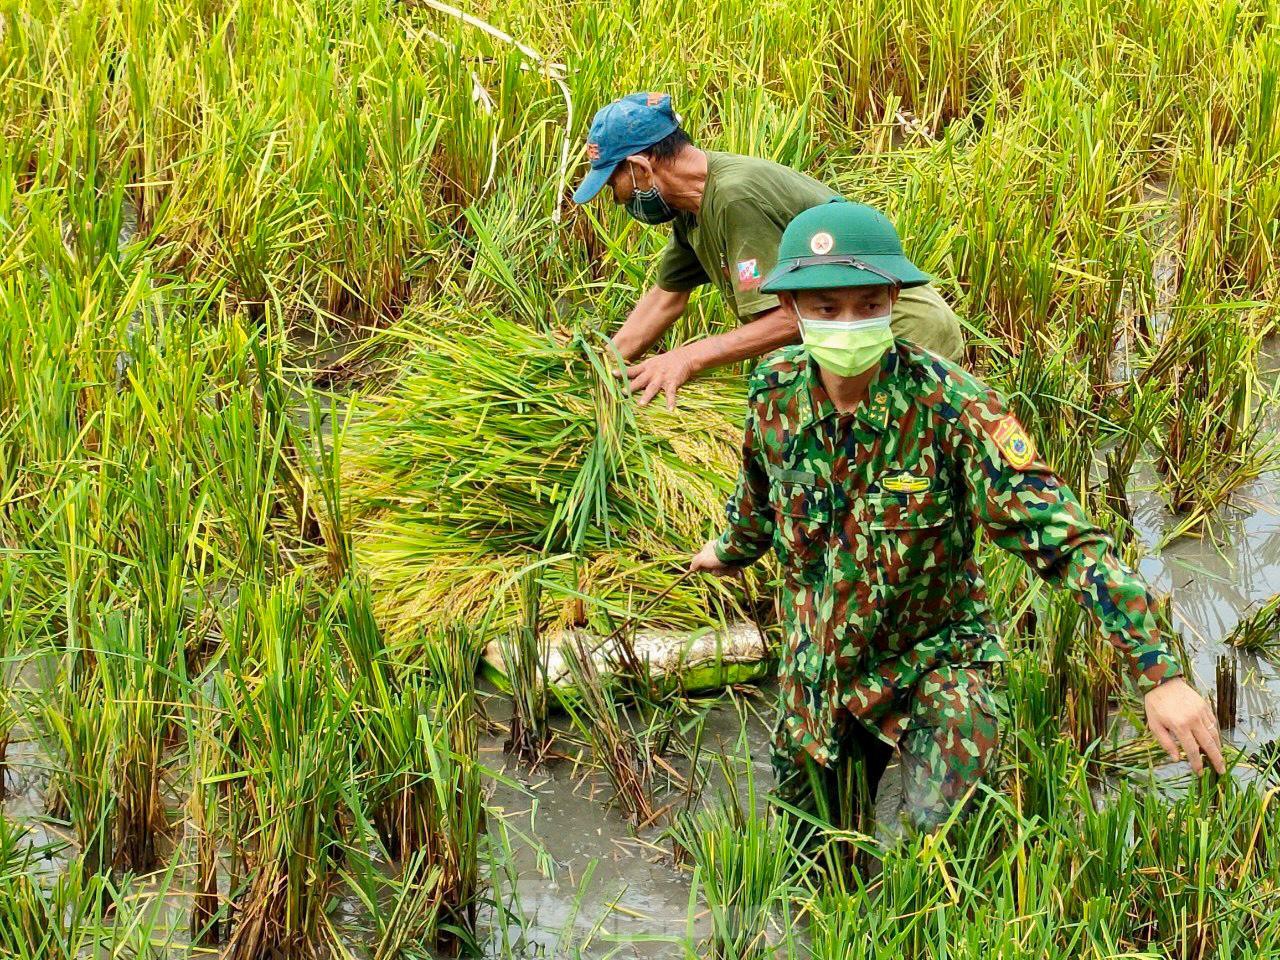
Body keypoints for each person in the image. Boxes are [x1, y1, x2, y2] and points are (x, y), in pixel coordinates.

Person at [687, 200, 1226, 837]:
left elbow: (1062, 533)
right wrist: (731, 548)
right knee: (816, 858)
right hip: (821, 665)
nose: (848, 324)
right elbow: (760, 487)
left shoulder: (950, 404)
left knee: (940, 844)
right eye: (827, 308)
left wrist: (1158, 672)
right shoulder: (772, 389)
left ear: (893, 300)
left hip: (938, 659)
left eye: (867, 305)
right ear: (794, 310)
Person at [571, 93, 964, 410]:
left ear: (641, 168)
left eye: (613, 185)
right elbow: (665, 299)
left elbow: (794, 317)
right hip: (838, 339)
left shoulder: (734, 195)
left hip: (888, 330)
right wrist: (602, 363)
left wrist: (686, 358)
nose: (619, 199)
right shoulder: (691, 209)